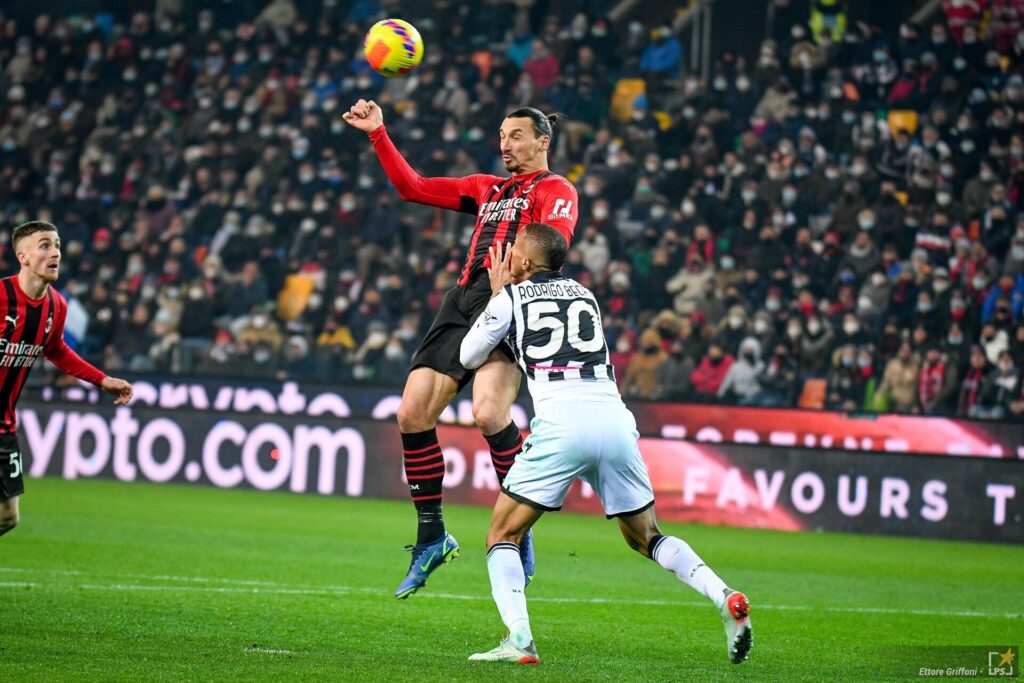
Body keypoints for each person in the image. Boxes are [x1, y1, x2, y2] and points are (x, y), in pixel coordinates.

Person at [459, 224, 752, 665]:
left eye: (515, 252)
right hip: (614, 418)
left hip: (562, 422)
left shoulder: (510, 298)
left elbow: (467, 355)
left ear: (522, 261)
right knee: (647, 537)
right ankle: (723, 594)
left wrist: (500, 294)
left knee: (503, 533)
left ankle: (519, 639)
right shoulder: (585, 295)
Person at [343, 100, 580, 597]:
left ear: (543, 142)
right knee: (411, 413)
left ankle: (519, 528)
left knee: (490, 413)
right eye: (501, 134)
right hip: (465, 298)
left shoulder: (556, 189)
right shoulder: (485, 188)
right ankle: (432, 536)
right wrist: (378, 133)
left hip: (514, 299)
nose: (505, 143)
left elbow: (554, 248)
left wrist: (512, 284)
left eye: (516, 135)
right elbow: (413, 188)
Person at [1, 221, 133, 537]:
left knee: (8, 517)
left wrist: (101, 380)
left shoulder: (57, 306)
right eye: (45, 245)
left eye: (57, 245)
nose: (55, 252)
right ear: (24, 256)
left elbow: (56, 349)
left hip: (4, 425)